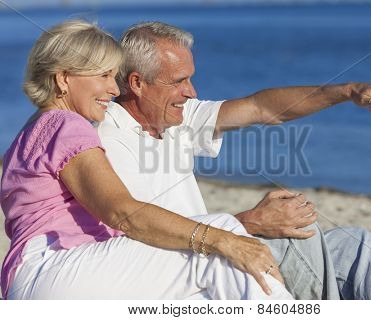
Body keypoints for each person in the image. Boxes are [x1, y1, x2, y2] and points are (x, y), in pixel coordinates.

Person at [97, 21, 371, 300]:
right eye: (178, 81)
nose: (191, 92)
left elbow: (261, 107)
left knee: (356, 247)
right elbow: (136, 239)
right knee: (300, 241)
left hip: (211, 248)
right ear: (138, 83)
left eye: (190, 78)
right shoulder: (108, 139)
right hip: (184, 274)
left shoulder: (174, 116)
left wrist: (348, 91)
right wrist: (249, 222)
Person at [0, 20, 294, 300]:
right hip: (55, 269)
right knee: (221, 236)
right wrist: (224, 238)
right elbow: (123, 213)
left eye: (113, 76)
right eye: (103, 76)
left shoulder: (30, 133)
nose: (115, 89)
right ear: (64, 78)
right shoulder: (67, 125)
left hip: (41, 278)